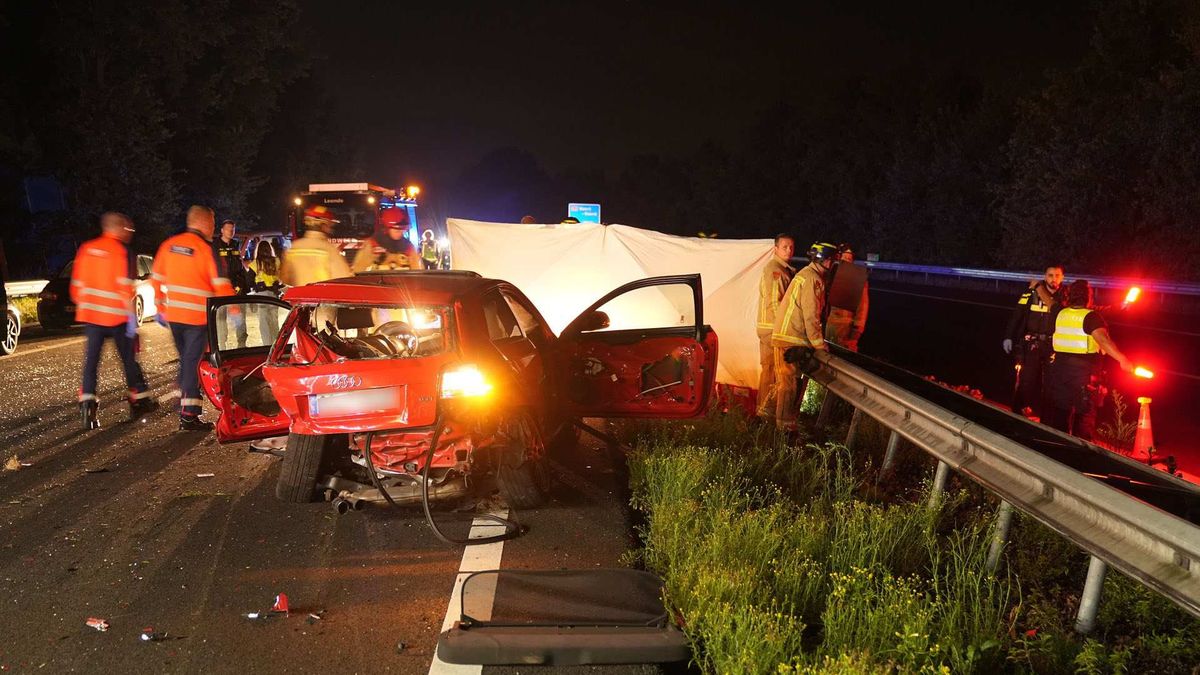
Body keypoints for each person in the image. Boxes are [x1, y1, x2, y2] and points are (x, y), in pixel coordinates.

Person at [151, 205, 235, 431]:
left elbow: (156, 279)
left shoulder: (169, 245)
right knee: (191, 365)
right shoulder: (206, 250)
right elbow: (221, 286)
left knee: (189, 363)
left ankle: (189, 413)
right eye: (214, 224)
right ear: (205, 223)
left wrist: (160, 306)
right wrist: (236, 312)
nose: (214, 228)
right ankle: (187, 411)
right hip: (198, 319)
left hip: (175, 317)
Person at [71, 212, 157, 429]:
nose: (130, 233)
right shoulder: (121, 251)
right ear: (117, 228)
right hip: (117, 317)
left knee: (91, 364)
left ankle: (87, 411)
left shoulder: (86, 249)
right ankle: (138, 401)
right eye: (127, 229)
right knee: (128, 361)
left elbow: (76, 289)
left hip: (91, 317)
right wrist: (132, 321)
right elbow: (124, 288)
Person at [1044, 279, 1132, 440]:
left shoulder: (1059, 312)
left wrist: (1037, 286)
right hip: (1083, 374)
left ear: (1068, 296)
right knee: (1083, 417)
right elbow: (1103, 341)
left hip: (1059, 371)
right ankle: (1080, 455)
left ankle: (1057, 450)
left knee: (1060, 412)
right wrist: (1122, 359)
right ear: (1089, 297)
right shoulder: (1091, 317)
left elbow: (1047, 300)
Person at [767, 241, 838, 431]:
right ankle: (783, 430)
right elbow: (811, 315)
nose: (832, 266)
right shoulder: (812, 279)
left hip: (789, 337)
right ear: (825, 260)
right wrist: (819, 345)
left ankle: (772, 420)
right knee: (788, 385)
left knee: (786, 383)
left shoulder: (806, 274)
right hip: (790, 338)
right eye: (832, 261)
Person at [1003, 264, 1067, 417]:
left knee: (1051, 385)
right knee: (1027, 381)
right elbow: (1017, 315)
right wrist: (1008, 336)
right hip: (1032, 344)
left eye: (1057, 275)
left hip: (1053, 346)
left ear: (1063, 278)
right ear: (1045, 276)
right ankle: (1017, 413)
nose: (1054, 279)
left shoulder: (1066, 297)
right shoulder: (1031, 293)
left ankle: (1046, 418)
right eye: (1050, 275)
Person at [754, 234, 796, 422]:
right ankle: (766, 413)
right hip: (773, 329)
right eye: (785, 246)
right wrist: (787, 328)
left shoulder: (782, 269)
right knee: (775, 373)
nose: (789, 250)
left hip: (769, 328)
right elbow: (775, 303)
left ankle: (764, 413)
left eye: (791, 247)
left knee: (769, 371)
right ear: (776, 249)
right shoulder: (775, 270)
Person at [280, 205, 352, 286]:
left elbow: (285, 278)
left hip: (299, 296)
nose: (330, 229)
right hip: (322, 296)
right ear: (323, 225)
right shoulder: (329, 249)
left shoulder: (293, 248)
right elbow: (343, 280)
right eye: (330, 226)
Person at [824, 244, 869, 352]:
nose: (847, 261)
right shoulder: (831, 274)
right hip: (828, 327)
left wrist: (856, 332)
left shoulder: (858, 279)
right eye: (844, 258)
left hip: (845, 331)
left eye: (849, 258)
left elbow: (863, 307)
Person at [214, 219, 248, 349]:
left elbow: (239, 266)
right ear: (222, 230)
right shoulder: (215, 245)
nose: (231, 231)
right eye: (228, 229)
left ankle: (242, 346)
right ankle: (221, 347)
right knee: (220, 319)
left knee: (240, 316)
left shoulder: (235, 244)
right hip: (220, 289)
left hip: (236, 287)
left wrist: (240, 285)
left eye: (233, 229)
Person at [351, 212, 420, 272]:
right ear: (387, 228)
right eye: (397, 229)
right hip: (378, 284)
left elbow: (417, 270)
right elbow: (358, 270)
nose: (400, 233)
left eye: (403, 230)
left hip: (402, 285)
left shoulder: (409, 247)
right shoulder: (372, 245)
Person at [248, 240, 283, 346]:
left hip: (261, 295)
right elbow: (281, 277)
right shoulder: (276, 261)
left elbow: (249, 280)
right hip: (274, 293)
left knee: (264, 321)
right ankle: (276, 345)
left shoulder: (255, 263)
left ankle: (267, 345)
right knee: (274, 320)